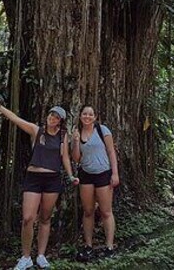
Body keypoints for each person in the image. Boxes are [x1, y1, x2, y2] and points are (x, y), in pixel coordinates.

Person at [0, 96, 79, 270]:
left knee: (45, 217)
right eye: (51, 115)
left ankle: (41, 256)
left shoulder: (62, 137)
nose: (52, 118)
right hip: (33, 178)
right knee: (28, 218)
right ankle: (26, 256)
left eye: (56, 117)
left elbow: (65, 157)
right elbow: (15, 119)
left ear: (61, 122)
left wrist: (71, 176)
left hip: (52, 179)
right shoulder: (37, 131)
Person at [72, 106, 120, 261]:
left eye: (90, 114)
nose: (87, 116)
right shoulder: (78, 133)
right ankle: (88, 246)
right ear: (80, 116)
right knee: (88, 211)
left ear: (95, 117)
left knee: (106, 211)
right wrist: (75, 142)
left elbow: (111, 151)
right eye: (84, 114)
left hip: (103, 174)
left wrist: (115, 173)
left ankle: (109, 246)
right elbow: (76, 158)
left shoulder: (103, 130)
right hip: (86, 175)